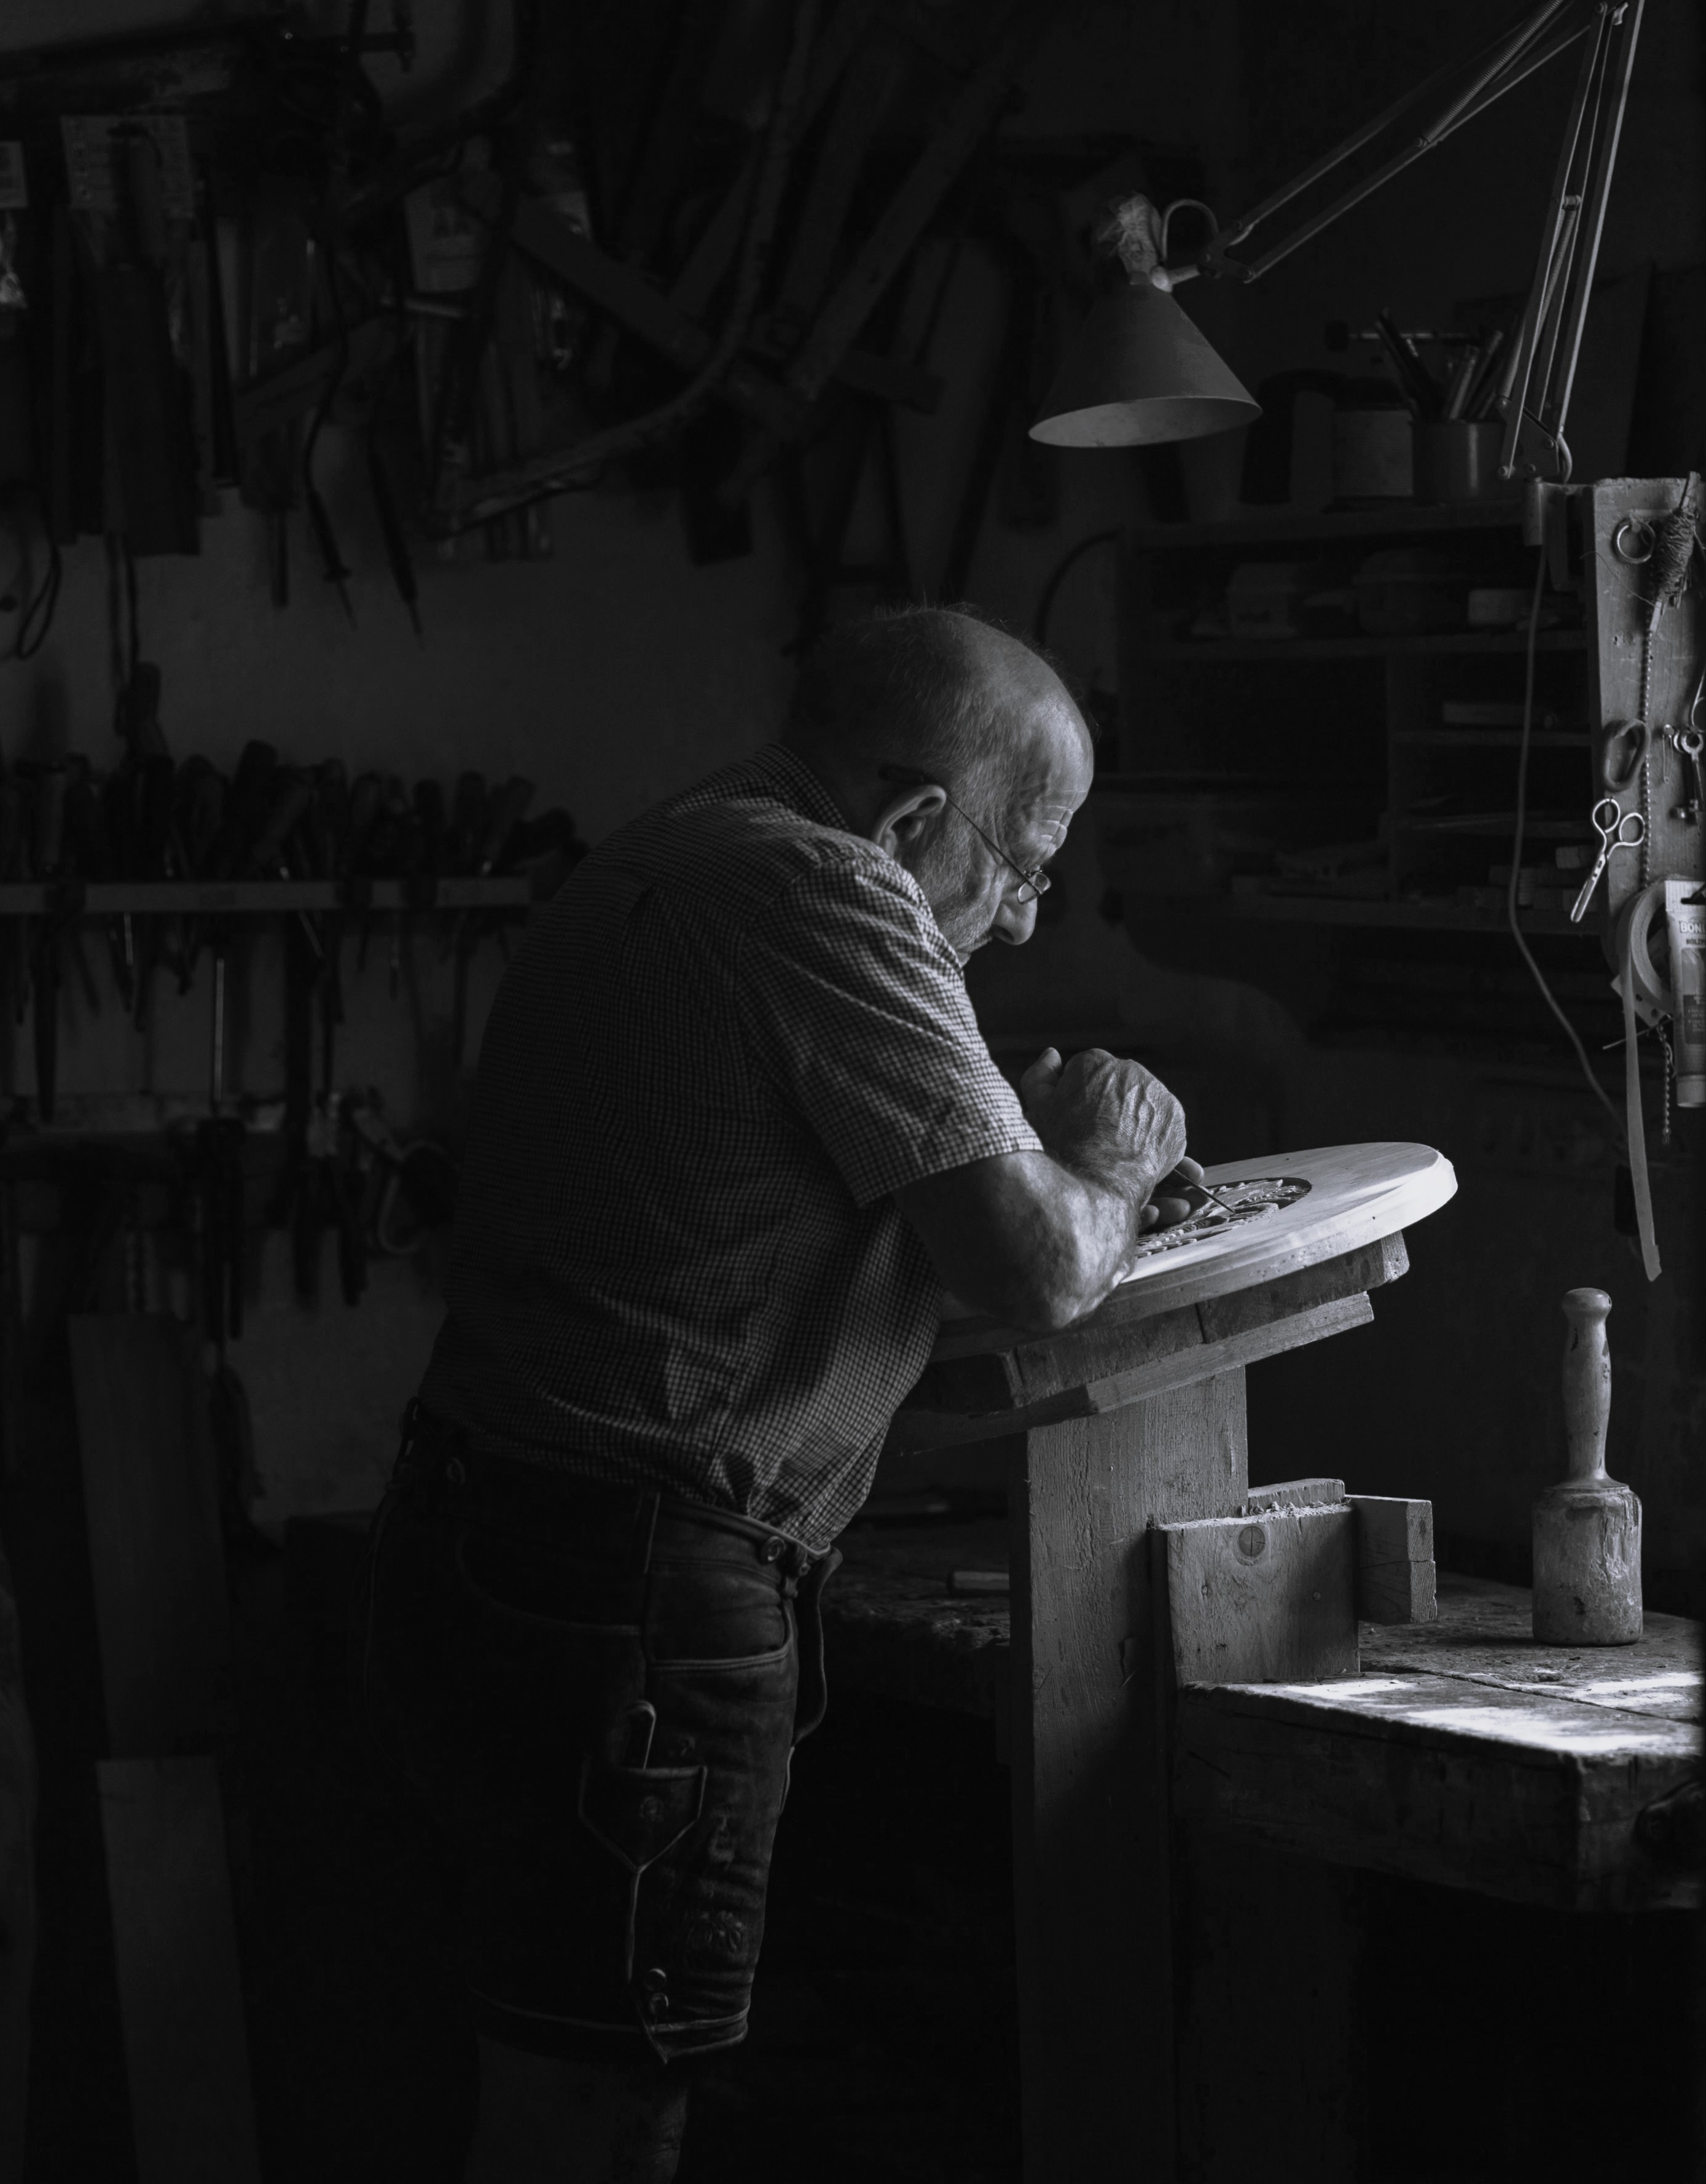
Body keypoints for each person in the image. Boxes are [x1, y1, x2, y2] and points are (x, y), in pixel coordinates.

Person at [365, 605, 1199, 2183]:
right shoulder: (828, 888)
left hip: (504, 1539)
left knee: (539, 2069)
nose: (1023, 920)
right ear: (907, 821)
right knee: (603, 2111)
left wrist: (983, 1137)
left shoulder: (670, 853)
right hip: (630, 1585)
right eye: (1022, 862)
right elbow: (1036, 1268)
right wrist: (1106, 1160)